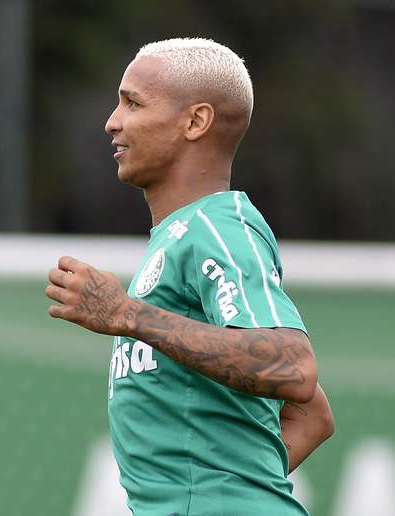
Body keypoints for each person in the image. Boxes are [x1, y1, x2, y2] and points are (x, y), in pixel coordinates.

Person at [45, 38, 334, 515]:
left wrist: (126, 314)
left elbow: (293, 368)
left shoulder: (217, 227)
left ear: (195, 122)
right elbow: (312, 417)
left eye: (133, 103)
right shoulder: (181, 235)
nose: (112, 122)